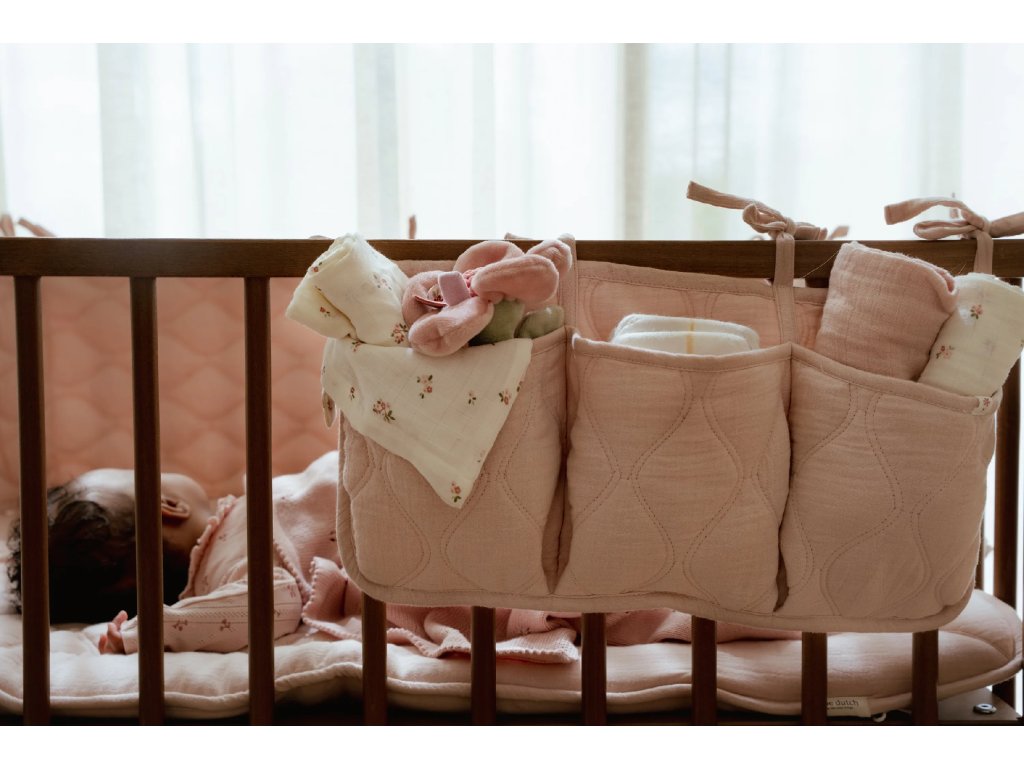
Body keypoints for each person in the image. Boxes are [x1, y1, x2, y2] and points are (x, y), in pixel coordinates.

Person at [7, 452, 347, 653]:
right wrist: (157, 630)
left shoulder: (230, 537)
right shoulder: (230, 559)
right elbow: (274, 601)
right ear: (169, 505)